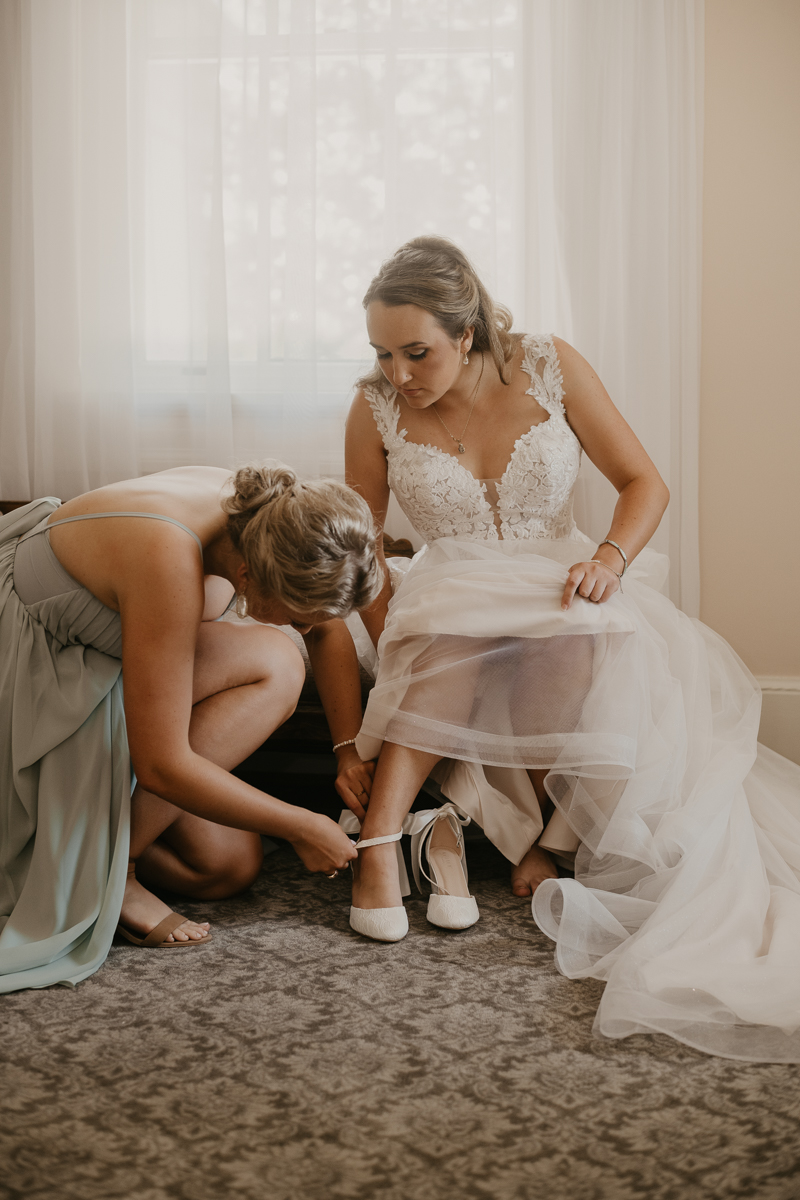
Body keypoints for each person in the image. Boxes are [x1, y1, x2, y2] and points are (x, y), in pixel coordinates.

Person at [342, 235, 800, 1063]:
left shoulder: (550, 364)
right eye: (383, 352)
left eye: (417, 352)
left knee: (589, 636)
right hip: (449, 584)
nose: (400, 373)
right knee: (442, 628)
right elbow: (362, 544)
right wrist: (389, 642)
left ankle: (550, 840)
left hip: (561, 573)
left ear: (469, 332)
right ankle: (379, 841)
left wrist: (608, 560)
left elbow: (644, 483)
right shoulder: (374, 406)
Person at [0, 461, 380, 992]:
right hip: (44, 660)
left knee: (225, 868)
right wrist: (300, 823)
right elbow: (162, 766)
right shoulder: (168, 558)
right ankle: (118, 871)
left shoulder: (281, 523)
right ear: (249, 577)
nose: (307, 627)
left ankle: (80, 837)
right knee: (278, 662)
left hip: (119, 657)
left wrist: (347, 751)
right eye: (298, 615)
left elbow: (327, 629)